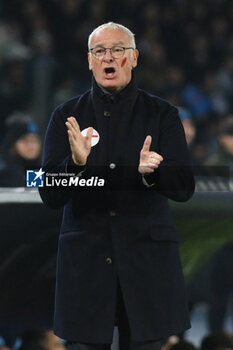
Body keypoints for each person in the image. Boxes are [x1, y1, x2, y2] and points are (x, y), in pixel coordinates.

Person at [39, 22, 195, 350]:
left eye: (117, 50)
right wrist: (75, 166)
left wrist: (152, 173)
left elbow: (184, 186)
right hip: (86, 269)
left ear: (134, 58)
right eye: (99, 51)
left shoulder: (163, 114)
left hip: (147, 270)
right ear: (90, 61)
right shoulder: (66, 116)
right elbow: (49, 192)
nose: (108, 57)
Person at [0, 112, 42, 187]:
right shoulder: (4, 175)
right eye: (25, 140)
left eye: (35, 140)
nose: (31, 145)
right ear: (13, 144)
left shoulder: (43, 171)